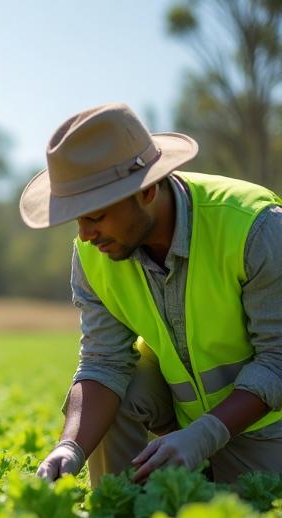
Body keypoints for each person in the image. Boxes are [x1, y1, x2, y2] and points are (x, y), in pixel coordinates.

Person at [21, 103, 282, 486]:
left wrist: (203, 436)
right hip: (179, 419)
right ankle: (122, 509)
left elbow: (277, 360)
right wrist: (70, 446)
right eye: (76, 219)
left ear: (146, 191)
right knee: (117, 390)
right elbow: (103, 362)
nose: (85, 235)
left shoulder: (256, 228)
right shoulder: (94, 254)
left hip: (266, 424)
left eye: (95, 216)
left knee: (255, 509)